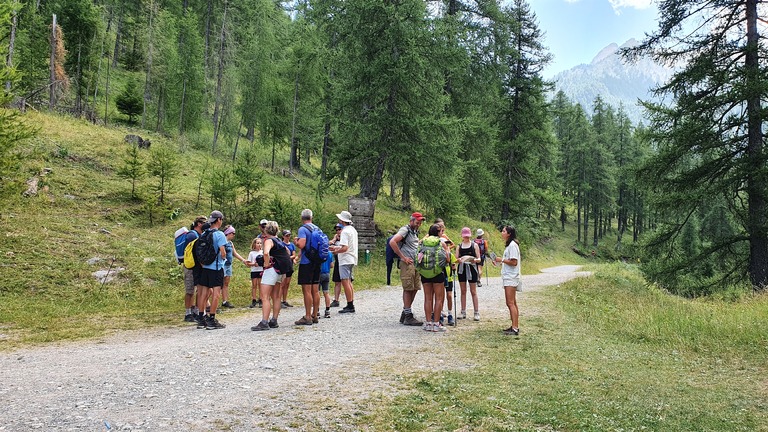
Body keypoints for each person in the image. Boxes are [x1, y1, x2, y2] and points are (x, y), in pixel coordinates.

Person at [388, 212, 426, 326]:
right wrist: (403, 257)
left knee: (414, 287)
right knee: (408, 288)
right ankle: (408, 316)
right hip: (407, 264)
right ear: (412, 220)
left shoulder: (414, 232)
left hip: (415, 263)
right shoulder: (405, 230)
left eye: (420, 222)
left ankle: (406, 313)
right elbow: (393, 242)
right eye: (417, 221)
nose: (419, 223)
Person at [251, 221, 289, 331]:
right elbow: (286, 251)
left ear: (266, 230)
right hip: (280, 271)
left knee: (265, 296)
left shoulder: (269, 240)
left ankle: (264, 322)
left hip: (271, 270)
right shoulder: (280, 241)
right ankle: (274, 320)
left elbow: (266, 253)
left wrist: (266, 264)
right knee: (276, 296)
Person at [195, 210, 227, 330]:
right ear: (219, 220)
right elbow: (223, 252)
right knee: (216, 294)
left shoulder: (204, 233)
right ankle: (212, 319)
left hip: (205, 268)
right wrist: (223, 259)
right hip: (216, 267)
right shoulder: (219, 235)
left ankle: (201, 318)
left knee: (203, 293)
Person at [419, 224, 450, 332]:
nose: (442, 233)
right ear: (437, 232)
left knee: (428, 298)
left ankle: (428, 324)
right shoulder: (441, 243)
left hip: (425, 273)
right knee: (439, 298)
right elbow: (448, 259)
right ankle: (436, 324)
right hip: (437, 273)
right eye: (441, 231)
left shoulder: (423, 242)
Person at [294, 209, 322, 325]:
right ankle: (315, 315)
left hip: (306, 262)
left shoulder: (303, 229)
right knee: (315, 290)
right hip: (317, 262)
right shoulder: (317, 228)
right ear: (311, 217)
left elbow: (302, 244)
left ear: (302, 218)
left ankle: (307, 316)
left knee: (307, 290)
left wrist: (296, 242)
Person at [496, 226, 521, 335]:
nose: (502, 233)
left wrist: (501, 260)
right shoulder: (510, 245)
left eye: (504, 231)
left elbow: (514, 262)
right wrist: (500, 262)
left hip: (511, 277)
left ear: (509, 233)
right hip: (509, 276)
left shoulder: (512, 246)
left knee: (510, 303)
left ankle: (515, 328)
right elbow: (509, 261)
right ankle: (514, 325)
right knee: (512, 302)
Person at [333, 210, 358, 314]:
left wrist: (336, 250)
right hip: (352, 258)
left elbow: (345, 248)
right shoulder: (353, 230)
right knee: (348, 282)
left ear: (342, 220)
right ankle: (351, 302)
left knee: (345, 281)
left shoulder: (345, 231)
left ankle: (350, 304)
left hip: (345, 259)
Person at [182, 216, 206, 322]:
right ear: (199, 224)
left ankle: (195, 311)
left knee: (198, 290)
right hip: (190, 266)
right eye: (204, 223)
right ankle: (188, 313)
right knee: (190, 290)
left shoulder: (198, 235)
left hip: (196, 267)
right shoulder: (192, 235)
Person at [457, 226, 481, 321]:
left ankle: (476, 312)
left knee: (473, 291)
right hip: (462, 269)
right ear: (462, 236)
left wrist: (474, 260)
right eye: (465, 236)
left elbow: (479, 259)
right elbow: (456, 258)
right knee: (463, 291)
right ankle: (463, 311)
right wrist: (459, 260)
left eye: (467, 236)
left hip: (472, 268)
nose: (466, 238)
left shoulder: (474, 245)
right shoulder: (459, 246)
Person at [221, 225, 247, 309]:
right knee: (219, 283)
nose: (234, 235)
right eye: (233, 233)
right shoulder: (222, 242)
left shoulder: (230, 243)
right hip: (222, 265)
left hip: (228, 265)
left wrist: (243, 260)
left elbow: (234, 253)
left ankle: (225, 301)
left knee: (226, 283)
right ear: (228, 233)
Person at [279, 230, 296, 308]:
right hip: (283, 266)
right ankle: (279, 301)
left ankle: (284, 300)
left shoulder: (292, 245)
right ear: (283, 236)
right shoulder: (281, 244)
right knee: (282, 284)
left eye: (289, 235)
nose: (288, 237)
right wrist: (288, 257)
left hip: (289, 265)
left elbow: (294, 255)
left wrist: (288, 257)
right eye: (286, 235)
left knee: (287, 284)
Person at [246, 237, 264, 308]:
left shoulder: (262, 252)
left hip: (261, 270)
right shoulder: (251, 253)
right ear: (254, 244)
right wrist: (254, 264)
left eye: (260, 243)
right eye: (257, 243)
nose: (259, 244)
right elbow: (248, 263)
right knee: (254, 285)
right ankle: (254, 299)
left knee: (260, 285)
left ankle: (261, 299)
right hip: (254, 271)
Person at [319, 241, 334, 318]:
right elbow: (332, 265)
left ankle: (317, 311)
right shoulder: (330, 253)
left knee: (317, 293)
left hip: (319, 273)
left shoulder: (319, 253)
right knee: (326, 293)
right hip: (327, 274)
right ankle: (327, 311)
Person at [329, 223, 344, 307]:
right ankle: (336, 299)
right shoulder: (336, 239)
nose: (338, 231)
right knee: (337, 281)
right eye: (337, 230)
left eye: (339, 229)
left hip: (344, 261)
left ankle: (350, 300)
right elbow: (328, 244)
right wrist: (334, 239)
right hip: (338, 261)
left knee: (347, 281)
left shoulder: (345, 238)